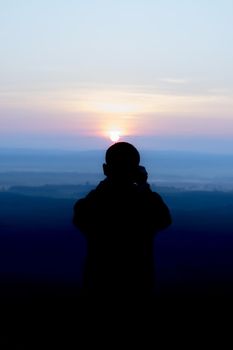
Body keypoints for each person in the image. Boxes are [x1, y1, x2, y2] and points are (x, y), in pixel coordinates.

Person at [73, 142, 171, 301]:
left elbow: (81, 217)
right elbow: (164, 219)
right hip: (138, 285)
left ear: (105, 169)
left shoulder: (92, 204)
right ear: (136, 170)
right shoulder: (145, 203)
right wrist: (143, 186)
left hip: (100, 285)